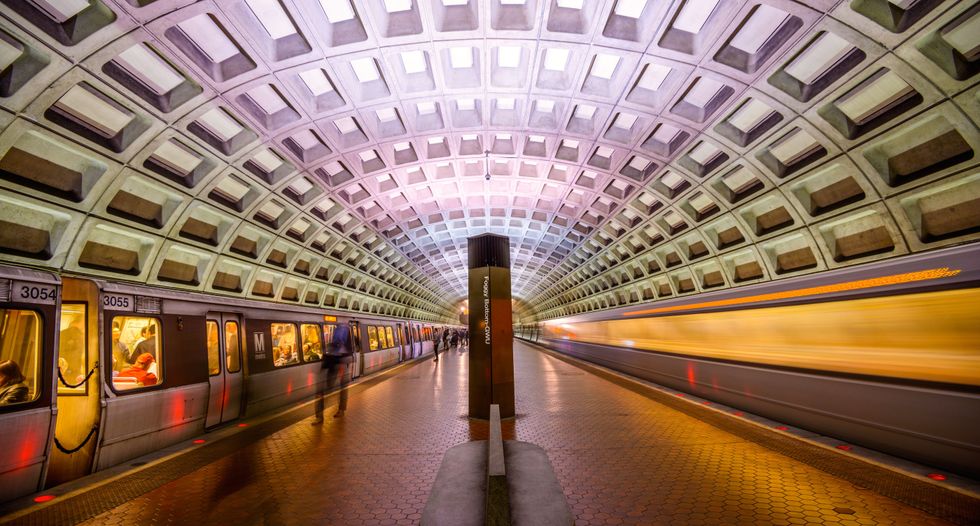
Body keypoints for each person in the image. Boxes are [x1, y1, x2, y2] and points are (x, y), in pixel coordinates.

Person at [313, 340, 351, 423]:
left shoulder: (342, 352)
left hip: (338, 370)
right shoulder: (330, 350)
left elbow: (343, 368)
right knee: (320, 393)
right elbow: (325, 364)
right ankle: (320, 416)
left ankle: (340, 410)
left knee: (343, 390)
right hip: (331, 370)